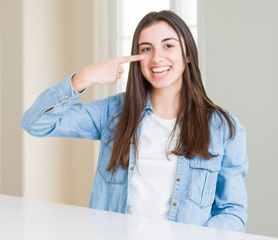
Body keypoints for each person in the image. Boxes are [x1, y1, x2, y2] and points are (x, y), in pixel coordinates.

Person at [20, 10, 248, 232]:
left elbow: (232, 211)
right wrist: (84, 77)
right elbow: (35, 123)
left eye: (168, 45)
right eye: (146, 49)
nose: (157, 57)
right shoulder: (112, 112)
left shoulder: (224, 128)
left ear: (187, 54)